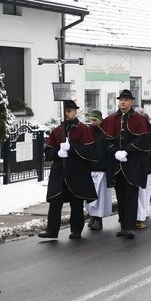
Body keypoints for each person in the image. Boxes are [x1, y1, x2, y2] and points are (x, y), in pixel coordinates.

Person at [38, 100, 98, 240]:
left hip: (77, 171)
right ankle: (52, 231)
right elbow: (48, 151)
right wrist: (58, 152)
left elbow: (91, 151)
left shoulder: (83, 129)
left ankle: (76, 230)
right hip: (59, 172)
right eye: (65, 111)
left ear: (75, 112)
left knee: (76, 202)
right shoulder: (58, 130)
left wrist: (72, 148)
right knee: (55, 201)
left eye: (69, 110)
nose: (67, 113)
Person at [99, 89, 151, 239]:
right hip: (117, 164)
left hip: (132, 164)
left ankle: (130, 227)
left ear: (131, 102)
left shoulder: (139, 119)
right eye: (121, 99)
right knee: (121, 196)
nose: (122, 102)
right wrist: (115, 151)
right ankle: (123, 225)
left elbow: (143, 140)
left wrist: (127, 151)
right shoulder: (111, 119)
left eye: (125, 99)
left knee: (131, 195)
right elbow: (105, 141)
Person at [85, 109, 111, 231]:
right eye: (90, 120)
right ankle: (92, 216)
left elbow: (106, 151)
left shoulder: (104, 134)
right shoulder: (88, 132)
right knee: (89, 195)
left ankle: (98, 219)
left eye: (95, 120)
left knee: (99, 196)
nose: (92, 122)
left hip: (101, 169)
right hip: (90, 168)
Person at [136, 112, 151, 229]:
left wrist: (147, 164)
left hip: (146, 168)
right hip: (137, 167)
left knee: (143, 193)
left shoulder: (150, 133)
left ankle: (142, 216)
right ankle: (140, 213)